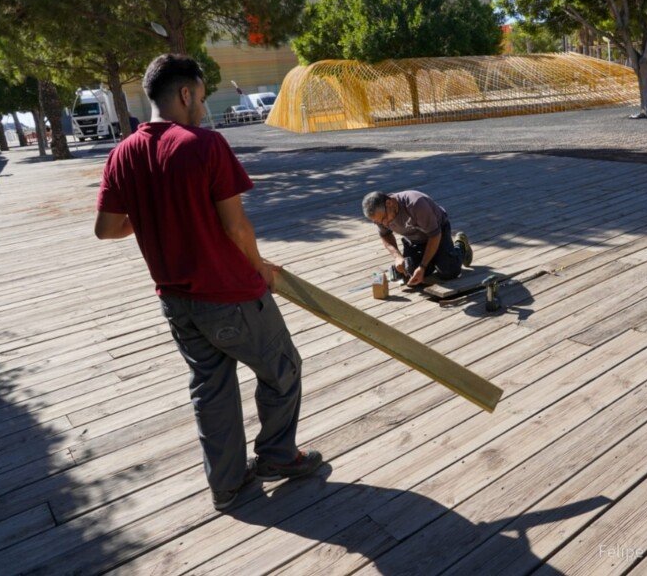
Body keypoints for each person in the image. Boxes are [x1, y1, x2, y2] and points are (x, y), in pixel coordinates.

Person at [94, 54, 321, 511]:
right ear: (185, 94)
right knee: (283, 370)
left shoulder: (122, 153)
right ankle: (277, 456)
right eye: (199, 97)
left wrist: (156, 212)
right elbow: (236, 227)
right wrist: (260, 268)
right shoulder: (205, 144)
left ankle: (227, 484)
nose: (201, 106)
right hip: (231, 294)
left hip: (177, 303)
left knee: (211, 390)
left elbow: (107, 228)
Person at [362, 190, 473, 286]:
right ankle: (437, 258)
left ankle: (461, 245)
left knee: (449, 271)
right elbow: (385, 235)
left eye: (384, 219)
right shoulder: (380, 217)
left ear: (389, 203)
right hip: (414, 239)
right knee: (409, 273)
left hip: (437, 232)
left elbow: (434, 235)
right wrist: (397, 257)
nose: (385, 224)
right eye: (378, 222)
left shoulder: (415, 204)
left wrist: (422, 266)